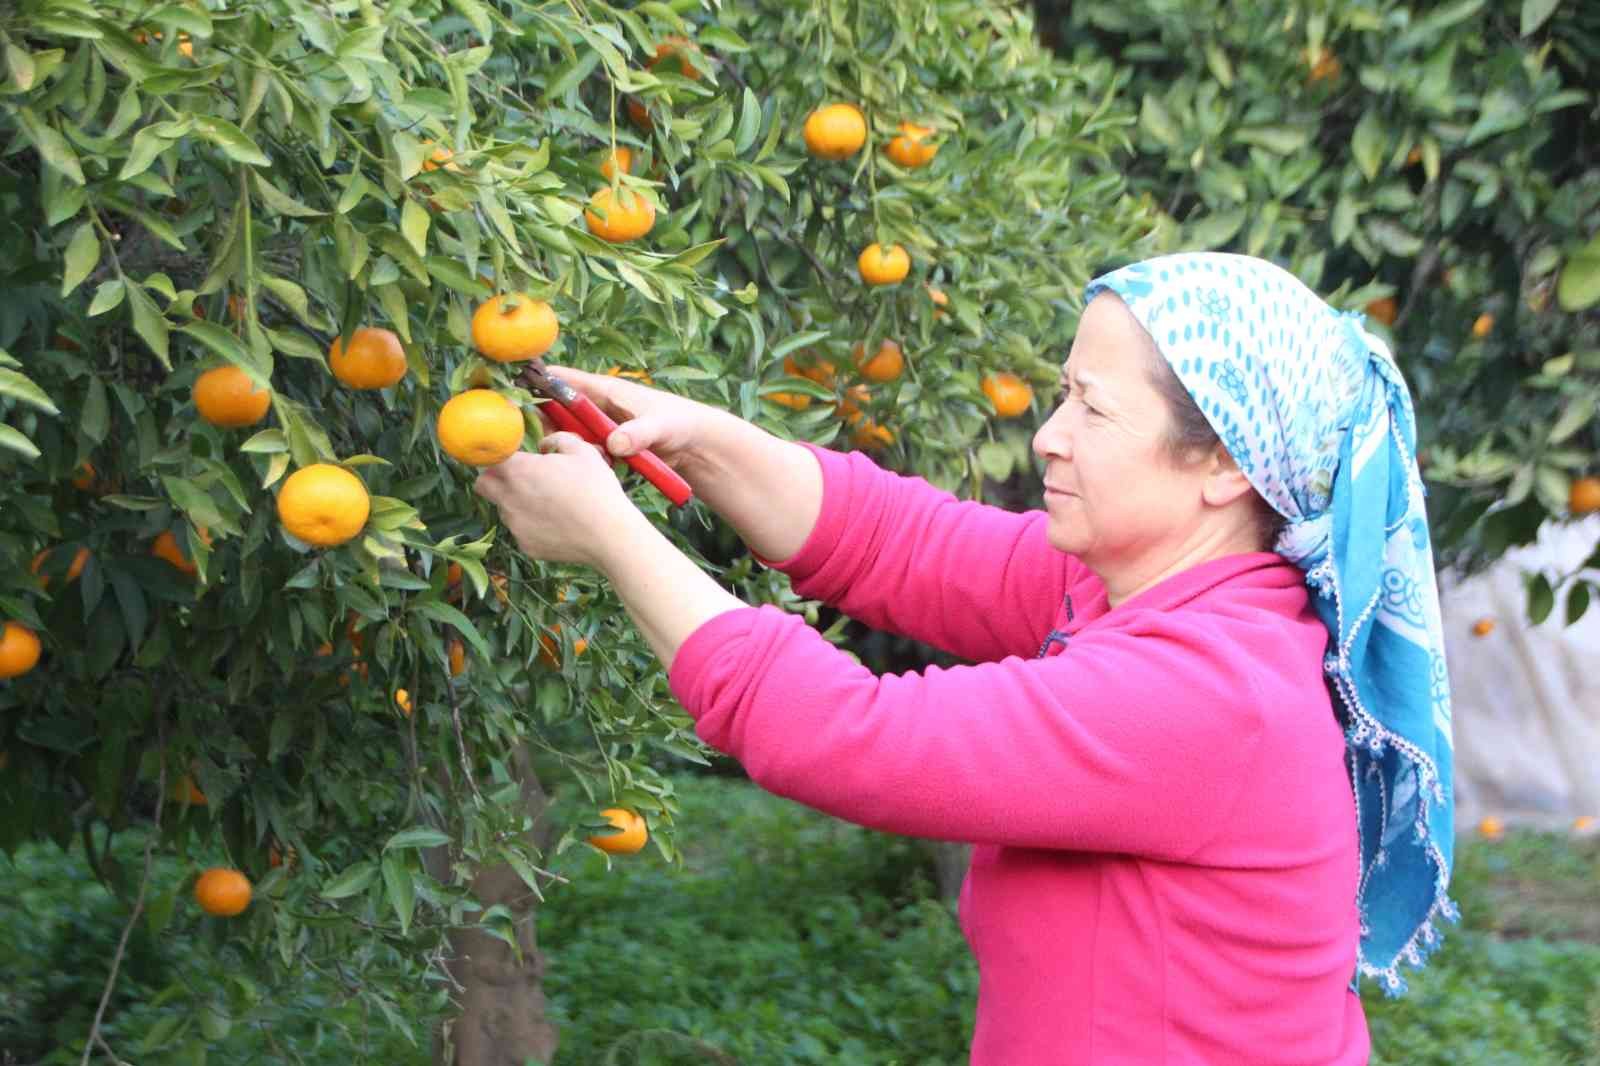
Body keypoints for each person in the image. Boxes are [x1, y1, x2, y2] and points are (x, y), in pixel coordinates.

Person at [473, 252, 1457, 1065]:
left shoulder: (1210, 692)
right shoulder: (1143, 589)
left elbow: (848, 736)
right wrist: (697, 438)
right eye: (1062, 395)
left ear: (1225, 463)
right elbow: (898, 543)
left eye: (1092, 410)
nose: (1048, 437)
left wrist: (611, 535)